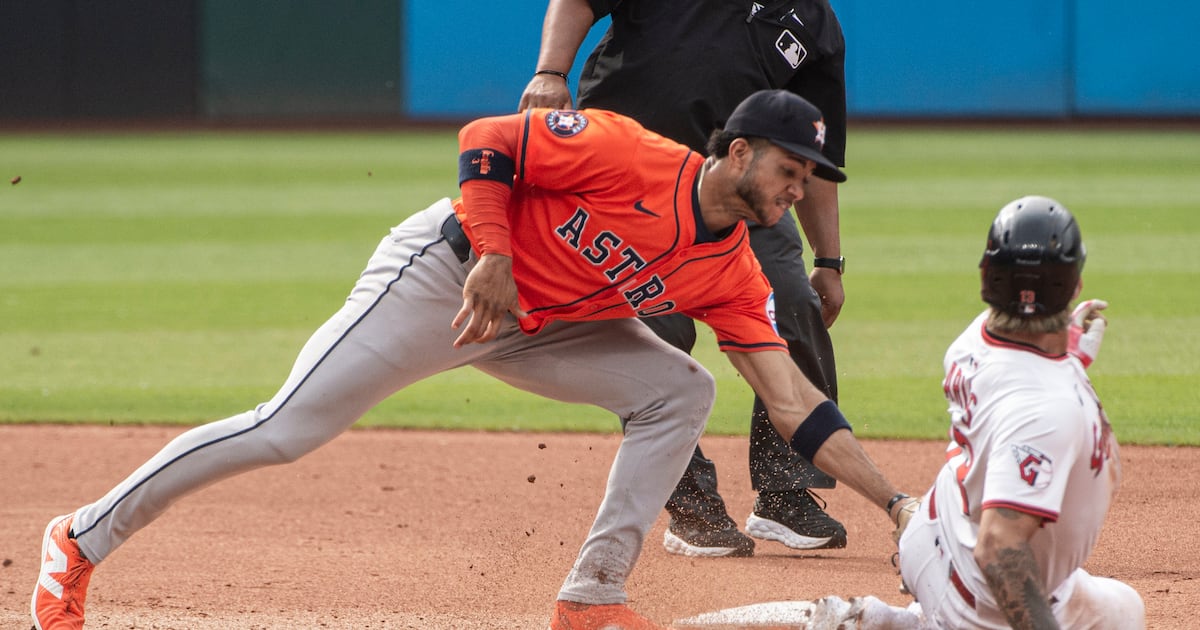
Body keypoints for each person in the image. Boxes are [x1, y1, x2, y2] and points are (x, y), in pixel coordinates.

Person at [32, 90, 918, 630]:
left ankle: (591, 599)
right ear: (739, 152)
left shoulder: (730, 270)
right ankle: (78, 540)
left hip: (547, 324)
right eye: (792, 169)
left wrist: (895, 502)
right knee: (287, 428)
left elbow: (794, 398)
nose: (800, 190)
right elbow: (487, 140)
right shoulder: (627, 152)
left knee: (677, 389)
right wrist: (493, 250)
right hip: (448, 275)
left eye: (808, 177)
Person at [520, 0, 851, 557]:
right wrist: (550, 72)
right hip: (630, 178)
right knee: (657, 335)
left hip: (744, 188)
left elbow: (814, 157)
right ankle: (689, 502)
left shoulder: (813, 19)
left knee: (793, 304)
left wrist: (830, 260)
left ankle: (786, 493)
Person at [888, 196, 1145, 628]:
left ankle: (889, 621)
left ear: (987, 276)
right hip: (982, 604)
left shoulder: (974, 339)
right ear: (1075, 285)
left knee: (1122, 610)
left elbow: (1014, 387)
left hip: (939, 534)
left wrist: (1069, 357)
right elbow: (1000, 548)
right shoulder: (1046, 406)